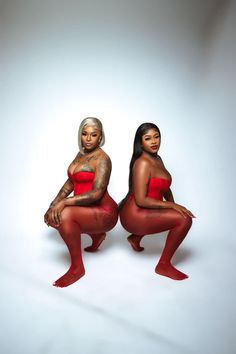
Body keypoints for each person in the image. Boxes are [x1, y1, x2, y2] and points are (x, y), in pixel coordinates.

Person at [44, 117, 118, 288]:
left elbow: (97, 193)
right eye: (85, 134)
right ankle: (96, 235)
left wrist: (64, 204)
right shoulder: (81, 154)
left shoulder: (103, 159)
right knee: (52, 216)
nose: (88, 138)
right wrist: (53, 204)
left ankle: (77, 268)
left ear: (100, 137)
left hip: (104, 210)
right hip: (85, 208)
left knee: (64, 215)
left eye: (94, 135)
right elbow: (70, 183)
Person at [119, 123, 195, 281]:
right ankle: (164, 265)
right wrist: (172, 206)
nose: (154, 141)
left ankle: (135, 238)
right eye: (148, 138)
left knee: (180, 215)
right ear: (141, 143)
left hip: (146, 210)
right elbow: (141, 200)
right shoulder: (142, 163)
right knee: (185, 220)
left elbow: (165, 187)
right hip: (135, 213)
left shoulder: (157, 158)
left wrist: (174, 207)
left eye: (156, 136)